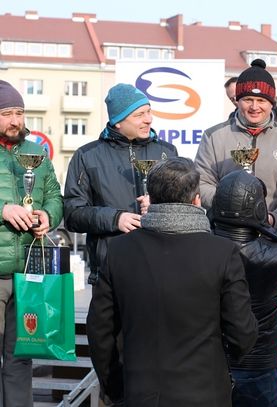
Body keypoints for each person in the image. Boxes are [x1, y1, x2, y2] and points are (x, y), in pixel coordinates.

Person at [87, 157, 258, 407]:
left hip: (140, 392)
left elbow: (100, 331)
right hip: (205, 393)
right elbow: (242, 333)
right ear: (196, 200)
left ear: (151, 198)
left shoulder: (119, 251)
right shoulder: (222, 253)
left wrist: (116, 387)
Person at [211, 170, 277, 407]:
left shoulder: (201, 246)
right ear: (258, 208)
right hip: (259, 367)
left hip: (211, 364)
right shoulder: (272, 257)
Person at [64, 83, 177, 285]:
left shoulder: (167, 152)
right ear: (117, 121)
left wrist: (160, 207)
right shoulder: (86, 156)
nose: (148, 119)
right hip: (109, 273)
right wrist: (115, 219)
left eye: (149, 111)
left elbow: (186, 207)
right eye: (139, 114)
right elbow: (73, 214)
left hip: (161, 270)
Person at [0, 80, 63, 406]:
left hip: (29, 271)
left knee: (21, 356)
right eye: (7, 113)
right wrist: (3, 210)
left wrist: (48, 215)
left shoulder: (36, 153)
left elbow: (55, 196)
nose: (16, 120)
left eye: (20, 112)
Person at [196, 59, 277, 232]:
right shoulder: (213, 137)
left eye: (261, 100)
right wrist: (233, 204)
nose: (254, 107)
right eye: (248, 99)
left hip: (273, 236)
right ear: (237, 101)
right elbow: (201, 183)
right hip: (224, 235)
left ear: (271, 103)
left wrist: (273, 219)